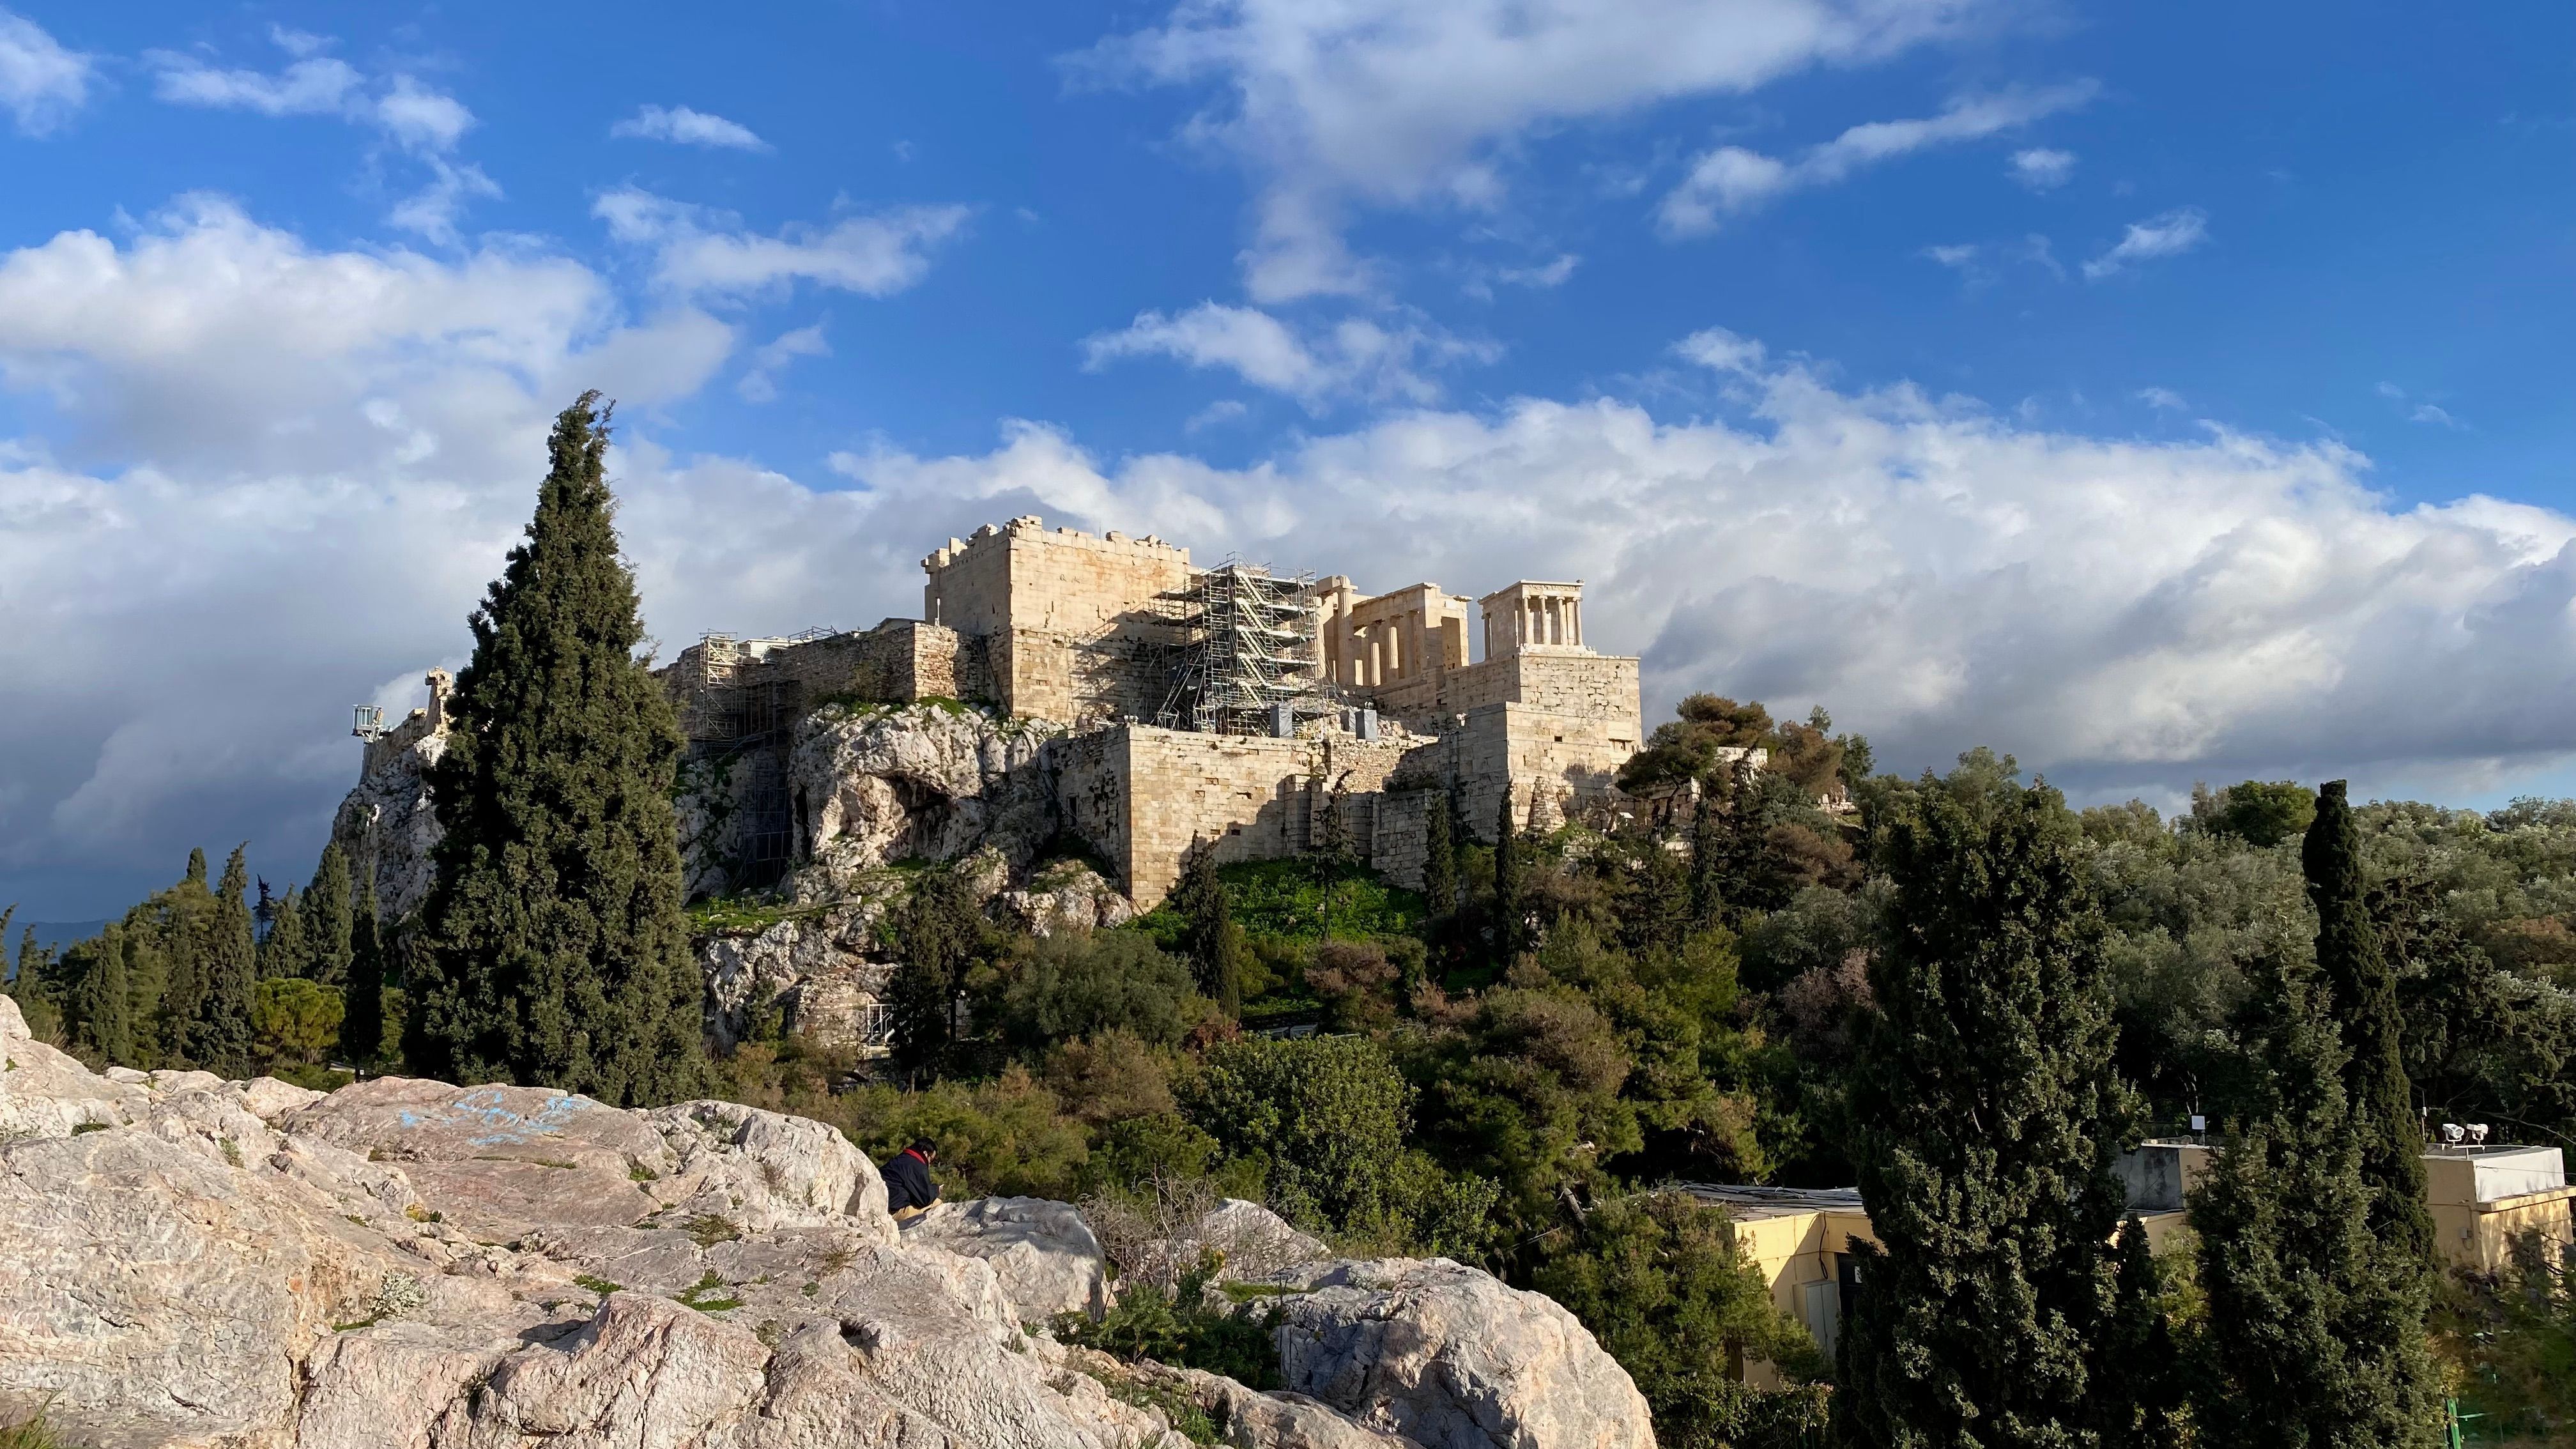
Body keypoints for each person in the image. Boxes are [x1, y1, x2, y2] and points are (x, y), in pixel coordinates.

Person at [882, 1138, 940, 1223]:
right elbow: (924, 1200)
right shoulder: (918, 1166)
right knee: (937, 1203)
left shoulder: (900, 1159)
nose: (930, 1164)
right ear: (925, 1153)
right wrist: (936, 1190)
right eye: (931, 1160)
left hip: (880, 1208)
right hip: (894, 1213)